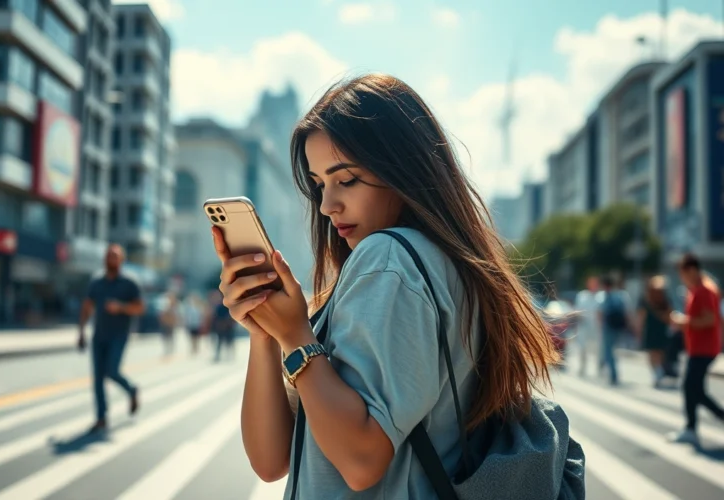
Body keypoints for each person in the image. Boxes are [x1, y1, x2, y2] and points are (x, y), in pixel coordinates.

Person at [213, 74, 584, 498]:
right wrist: (266, 332)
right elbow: (273, 459)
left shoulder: (388, 261)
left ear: (402, 169)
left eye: (346, 179)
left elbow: (360, 461)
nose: (327, 204)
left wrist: (297, 336)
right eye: (319, 184)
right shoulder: (436, 264)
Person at [79, 244, 144, 433]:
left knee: (112, 371)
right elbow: (87, 307)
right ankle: (101, 418)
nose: (111, 259)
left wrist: (121, 307)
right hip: (99, 336)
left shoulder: (130, 283)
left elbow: (140, 308)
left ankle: (131, 390)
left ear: (121, 260)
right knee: (98, 378)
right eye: (109, 256)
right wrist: (81, 332)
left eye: (115, 256)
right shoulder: (97, 282)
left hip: (119, 335)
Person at [667, 254, 724, 444]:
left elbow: (710, 319)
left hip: (704, 348)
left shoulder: (704, 290)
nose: (682, 278)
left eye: (682, 273)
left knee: (692, 388)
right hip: (699, 348)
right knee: (693, 388)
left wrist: (684, 322)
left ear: (690, 270)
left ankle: (691, 428)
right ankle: (691, 428)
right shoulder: (697, 289)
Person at [637, 276, 672, 387]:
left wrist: (639, 330)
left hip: (651, 328)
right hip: (661, 328)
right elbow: (669, 315)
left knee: (652, 353)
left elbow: (641, 316)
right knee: (659, 352)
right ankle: (659, 372)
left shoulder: (646, 299)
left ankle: (657, 373)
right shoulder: (664, 300)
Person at [574, 276, 601, 377]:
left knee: (598, 348)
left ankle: (599, 368)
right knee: (582, 347)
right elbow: (577, 310)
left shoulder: (600, 296)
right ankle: (582, 366)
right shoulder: (582, 295)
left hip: (596, 326)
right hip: (583, 325)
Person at [158, 291, 181, 356]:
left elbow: (176, 314)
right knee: (165, 336)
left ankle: (170, 348)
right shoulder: (163, 304)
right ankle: (167, 348)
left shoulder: (174, 305)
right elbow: (161, 314)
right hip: (165, 323)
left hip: (171, 323)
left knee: (171, 336)